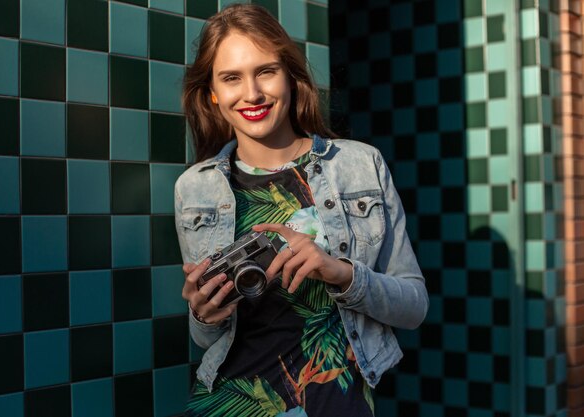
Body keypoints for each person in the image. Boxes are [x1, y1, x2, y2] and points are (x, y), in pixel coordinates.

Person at [174, 4, 428, 416]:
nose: (252, 93)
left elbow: (414, 306)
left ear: (290, 77)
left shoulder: (359, 164)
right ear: (213, 93)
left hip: (334, 402)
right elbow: (207, 337)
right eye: (232, 78)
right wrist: (203, 313)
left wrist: (340, 273)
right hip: (230, 402)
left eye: (266, 71)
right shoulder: (195, 187)